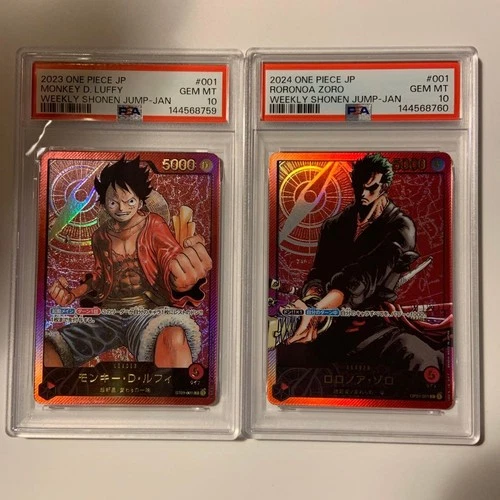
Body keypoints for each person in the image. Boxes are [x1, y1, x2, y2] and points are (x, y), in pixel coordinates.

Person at [45, 156, 212, 368]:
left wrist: (182, 279)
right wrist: (73, 294)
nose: (122, 208)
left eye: (130, 201)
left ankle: (176, 388)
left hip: (148, 311)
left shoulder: (153, 224)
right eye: (114, 202)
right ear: (104, 204)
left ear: (140, 201)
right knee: (49, 349)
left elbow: (170, 258)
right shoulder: (100, 236)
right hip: (109, 315)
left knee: (173, 337)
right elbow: (99, 277)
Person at [281, 153, 443, 371]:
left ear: (384, 187)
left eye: (371, 188)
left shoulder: (401, 228)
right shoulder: (334, 225)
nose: (363, 194)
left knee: (419, 361)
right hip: (327, 329)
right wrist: (312, 300)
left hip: (373, 327)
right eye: (358, 186)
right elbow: (318, 273)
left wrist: (319, 310)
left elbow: (365, 275)